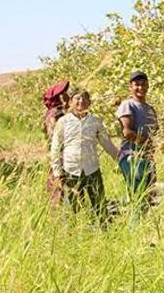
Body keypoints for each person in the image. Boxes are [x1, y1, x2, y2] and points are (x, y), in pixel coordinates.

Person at [50, 89, 119, 222]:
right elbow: (55, 147)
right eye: (77, 98)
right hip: (71, 170)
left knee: (99, 205)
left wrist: (121, 159)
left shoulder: (95, 121)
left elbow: (107, 144)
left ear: (89, 103)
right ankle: (70, 235)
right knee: (71, 208)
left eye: (85, 98)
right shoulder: (63, 122)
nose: (81, 101)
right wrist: (57, 171)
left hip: (92, 169)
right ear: (71, 102)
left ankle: (103, 233)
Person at [116, 71, 159, 209]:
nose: (141, 87)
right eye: (137, 84)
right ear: (130, 87)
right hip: (132, 155)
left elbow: (156, 133)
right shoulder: (127, 105)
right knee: (137, 196)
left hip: (147, 157)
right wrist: (147, 142)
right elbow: (128, 132)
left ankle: (142, 228)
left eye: (144, 84)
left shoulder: (151, 109)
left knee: (149, 196)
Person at [42, 81, 70, 207]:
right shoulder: (58, 114)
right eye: (64, 94)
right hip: (61, 154)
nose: (67, 96)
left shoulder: (49, 112)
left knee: (54, 184)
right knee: (61, 185)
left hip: (53, 153)